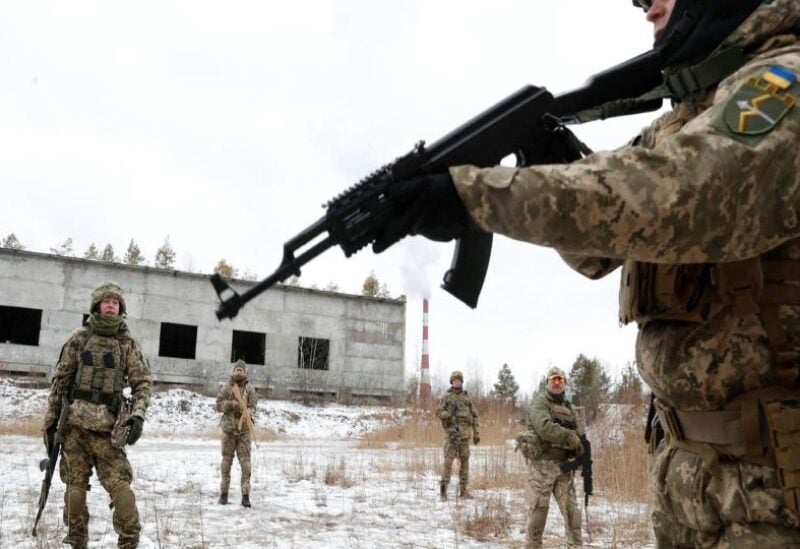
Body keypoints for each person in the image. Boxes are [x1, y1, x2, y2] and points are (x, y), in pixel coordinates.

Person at [376, 0, 800, 544]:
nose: (646, 8)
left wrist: (475, 195)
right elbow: (595, 253)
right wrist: (550, 159)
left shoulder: (784, 81)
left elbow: (675, 195)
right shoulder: (683, 120)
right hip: (695, 484)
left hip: (775, 489)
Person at [42, 282, 151, 549]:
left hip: (107, 430)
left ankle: (127, 541)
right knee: (76, 490)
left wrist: (137, 416)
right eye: (107, 301)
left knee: (120, 488)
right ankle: (78, 542)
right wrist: (51, 421)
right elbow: (61, 382)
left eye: (116, 301)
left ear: (120, 307)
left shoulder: (127, 343)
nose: (111, 304)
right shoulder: (79, 338)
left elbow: (142, 384)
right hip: (75, 428)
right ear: (97, 305)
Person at [524, 367, 586, 548]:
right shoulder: (539, 403)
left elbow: (580, 435)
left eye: (560, 380)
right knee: (538, 514)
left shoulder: (570, 408)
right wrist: (569, 437)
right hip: (542, 467)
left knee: (573, 514)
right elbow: (545, 427)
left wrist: (582, 450)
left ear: (565, 383)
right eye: (553, 380)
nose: (557, 383)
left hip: (564, 469)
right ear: (548, 383)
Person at [216, 359, 258, 508]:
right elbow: (218, 405)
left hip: (244, 431)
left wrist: (248, 414)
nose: (239, 372)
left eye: (241, 370)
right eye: (237, 370)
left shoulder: (250, 390)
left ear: (245, 372)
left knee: (246, 465)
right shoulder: (227, 387)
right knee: (226, 463)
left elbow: (254, 406)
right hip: (228, 431)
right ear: (233, 372)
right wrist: (231, 404)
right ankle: (224, 495)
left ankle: (245, 496)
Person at [436, 370, 480, 500]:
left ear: (461, 382)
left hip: (464, 437)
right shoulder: (447, 397)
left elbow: (475, 415)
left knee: (465, 464)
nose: (457, 382)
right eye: (454, 380)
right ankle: (443, 491)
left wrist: (476, 432)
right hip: (451, 436)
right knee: (447, 463)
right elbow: (438, 411)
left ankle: (464, 491)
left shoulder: (467, 398)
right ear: (451, 382)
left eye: (459, 380)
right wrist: (446, 415)